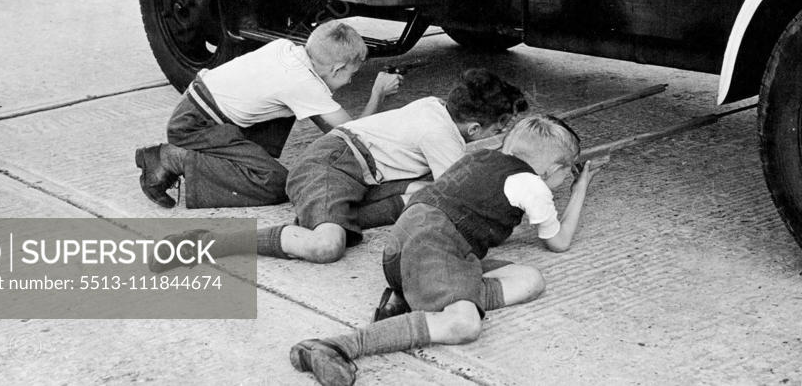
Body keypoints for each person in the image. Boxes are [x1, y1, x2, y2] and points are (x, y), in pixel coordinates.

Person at [288, 114, 601, 386]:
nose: (563, 179)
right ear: (553, 170)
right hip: (434, 247)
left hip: (409, 245)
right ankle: (336, 346)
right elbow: (558, 242)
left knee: (530, 279)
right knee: (464, 324)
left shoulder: (476, 158)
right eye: (566, 172)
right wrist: (580, 188)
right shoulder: (532, 184)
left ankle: (419, 297)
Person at [149, 69, 527, 271]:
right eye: (501, 128)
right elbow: (464, 193)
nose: (500, 135)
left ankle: (320, 220)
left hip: (354, 172)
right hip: (329, 165)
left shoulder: (436, 108)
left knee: (421, 195)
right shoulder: (441, 134)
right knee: (326, 247)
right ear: (476, 129)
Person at [134, 21, 401, 209]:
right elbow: (352, 134)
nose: (351, 82)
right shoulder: (302, 84)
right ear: (337, 68)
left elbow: (325, 123)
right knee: (273, 184)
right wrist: (378, 93)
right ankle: (170, 159)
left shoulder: (288, 50)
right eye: (351, 75)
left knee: (286, 114)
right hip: (195, 127)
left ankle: (215, 160)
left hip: (196, 109)